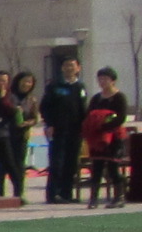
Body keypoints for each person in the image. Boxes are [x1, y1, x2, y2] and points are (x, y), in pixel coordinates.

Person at [41, 55, 88, 204]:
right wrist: (50, 124)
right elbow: (45, 107)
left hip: (75, 131)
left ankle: (67, 193)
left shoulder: (80, 87)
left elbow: (83, 109)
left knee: (71, 163)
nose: (69, 68)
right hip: (58, 130)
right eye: (66, 65)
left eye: (72, 66)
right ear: (62, 68)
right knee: (57, 162)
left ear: (78, 68)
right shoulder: (54, 86)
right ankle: (53, 194)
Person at [84, 67, 131, 208]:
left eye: (105, 79)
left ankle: (119, 197)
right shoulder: (96, 98)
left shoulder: (119, 97)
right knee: (96, 167)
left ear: (113, 81)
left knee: (112, 167)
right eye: (100, 79)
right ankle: (93, 199)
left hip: (113, 137)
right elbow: (89, 114)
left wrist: (105, 126)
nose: (102, 81)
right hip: (97, 138)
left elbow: (121, 117)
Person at [8, 71, 41, 205]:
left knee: (20, 165)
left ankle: (19, 194)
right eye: (24, 81)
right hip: (7, 134)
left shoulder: (31, 99)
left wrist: (27, 123)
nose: (26, 84)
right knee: (3, 165)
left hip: (22, 135)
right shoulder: (9, 96)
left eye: (29, 82)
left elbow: (35, 118)